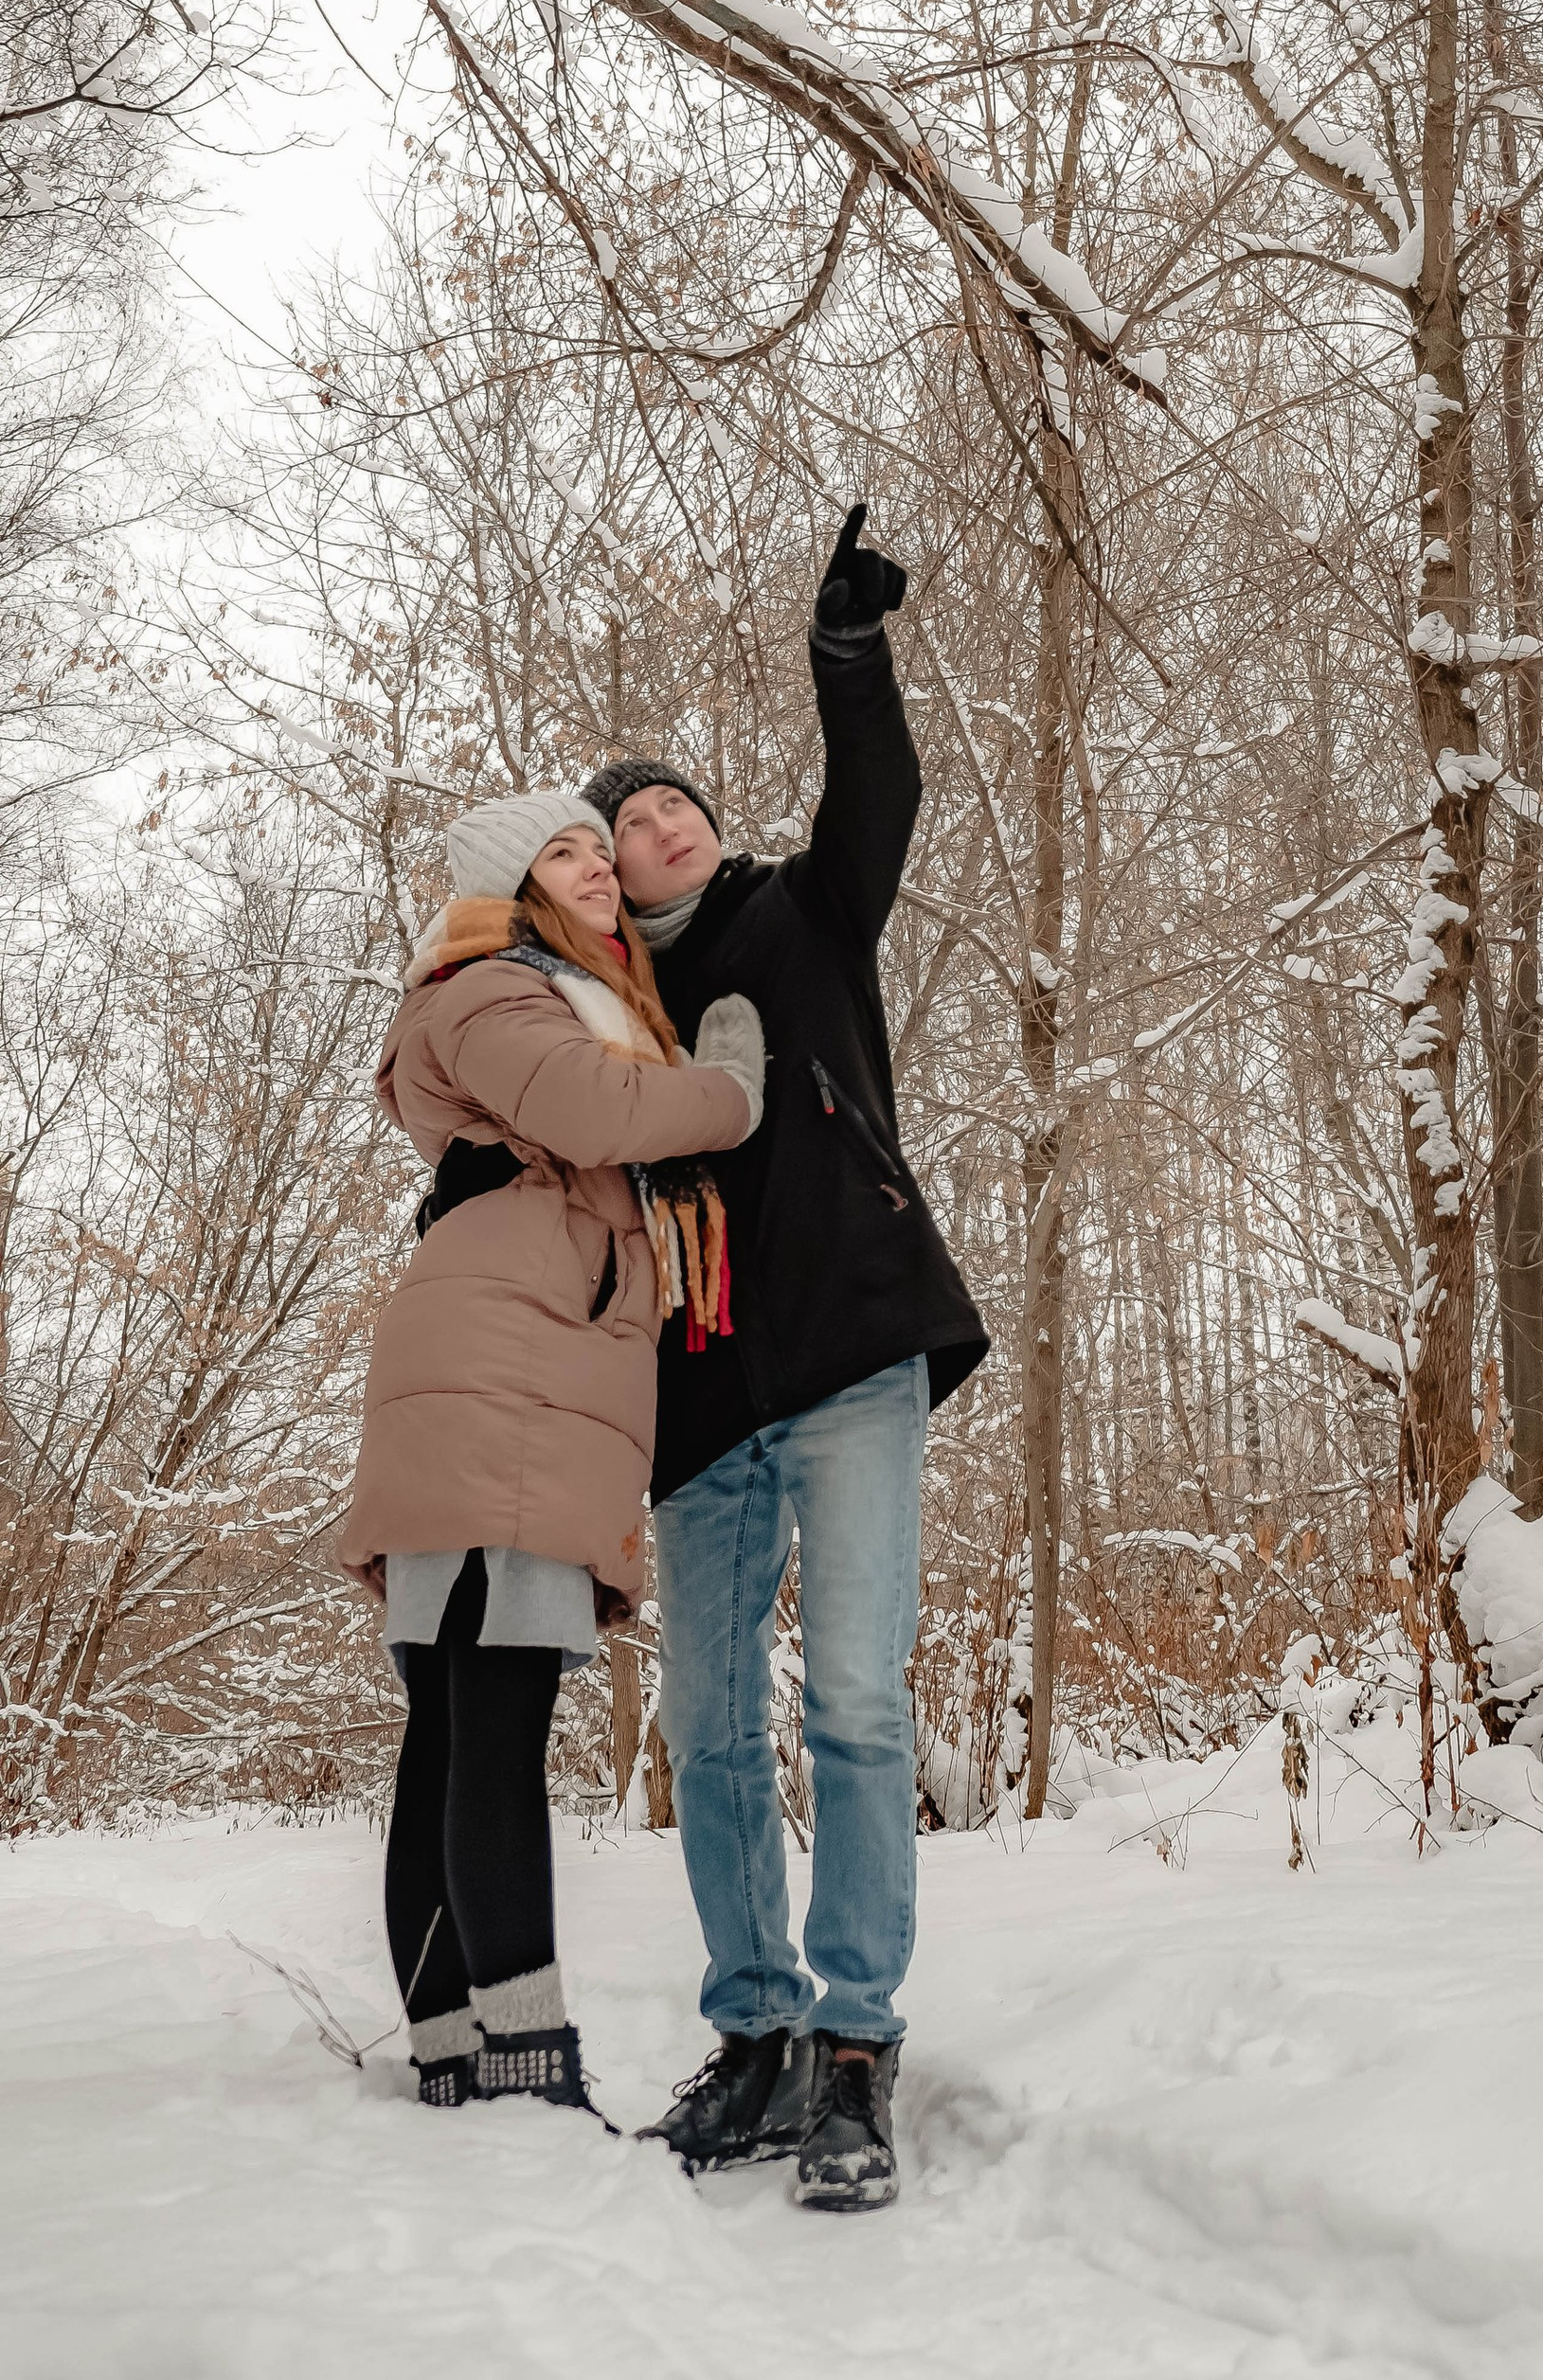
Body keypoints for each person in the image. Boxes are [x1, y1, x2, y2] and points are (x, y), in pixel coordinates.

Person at [585, 505, 987, 2210]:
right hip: (698, 1399)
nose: (666, 820)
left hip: (847, 1356)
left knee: (852, 1706)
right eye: (633, 818)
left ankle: (855, 2045)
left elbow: (875, 799)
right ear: (605, 871)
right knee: (711, 1730)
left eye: (679, 803)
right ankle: (754, 2032)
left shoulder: (801, 918)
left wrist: (848, 653)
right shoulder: (598, 1009)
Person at [341, 790, 764, 2119]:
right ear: (510, 888)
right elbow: (596, 1112)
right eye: (564, 850)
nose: (594, 865)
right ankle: (522, 2065)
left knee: (460, 1725)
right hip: (499, 1387)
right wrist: (732, 1091)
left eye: (601, 849)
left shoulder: (530, 993)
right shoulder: (493, 989)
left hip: (508, 1378)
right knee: (492, 1721)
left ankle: (453, 2048)